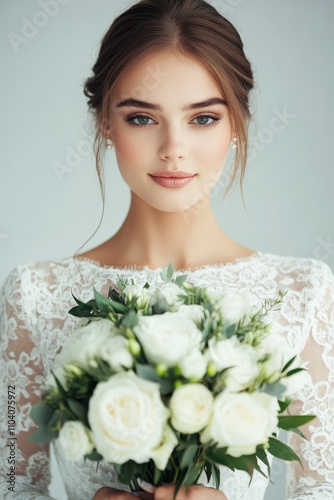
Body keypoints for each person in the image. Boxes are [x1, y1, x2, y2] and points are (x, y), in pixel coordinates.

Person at [0, 0, 333, 498]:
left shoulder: (302, 291)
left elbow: (321, 488)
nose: (173, 147)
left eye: (202, 118)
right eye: (141, 118)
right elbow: (11, 482)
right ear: (105, 123)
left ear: (235, 126)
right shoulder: (34, 295)